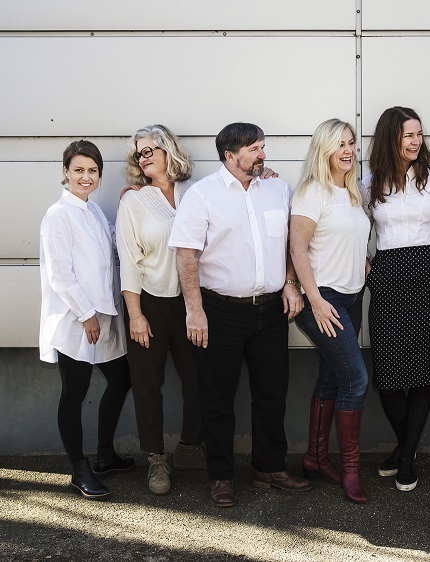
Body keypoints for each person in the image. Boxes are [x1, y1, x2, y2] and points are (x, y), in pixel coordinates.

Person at [169, 122, 311, 508]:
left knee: (272, 394)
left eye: (262, 147)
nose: (262, 154)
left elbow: (291, 243)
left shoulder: (278, 189)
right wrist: (195, 312)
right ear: (230, 156)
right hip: (219, 313)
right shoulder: (202, 196)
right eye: (254, 149)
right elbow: (185, 256)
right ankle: (221, 476)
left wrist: (290, 282)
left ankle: (270, 468)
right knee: (217, 399)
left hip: (270, 311)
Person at [361, 106, 430, 492]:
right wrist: (367, 267)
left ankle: (406, 457)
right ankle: (406, 448)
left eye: (419, 134)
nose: (416, 142)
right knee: (387, 376)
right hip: (387, 276)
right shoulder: (369, 184)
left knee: (422, 372)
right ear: (391, 138)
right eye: (408, 136)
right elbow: (355, 229)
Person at [39, 140, 134, 500]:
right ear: (65, 172)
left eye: (92, 170)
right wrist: (86, 314)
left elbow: (115, 242)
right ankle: (79, 470)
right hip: (77, 320)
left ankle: (105, 455)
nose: (86, 176)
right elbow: (60, 275)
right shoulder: (58, 215)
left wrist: (133, 204)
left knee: (121, 379)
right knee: (74, 393)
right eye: (78, 169)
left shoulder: (92, 209)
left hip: (105, 316)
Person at [116, 124, 205, 496]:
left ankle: (189, 446)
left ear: (169, 149)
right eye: (139, 153)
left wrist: (264, 175)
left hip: (192, 303)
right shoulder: (133, 201)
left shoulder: (195, 192)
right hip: (149, 304)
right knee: (147, 386)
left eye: (149, 149)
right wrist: (135, 315)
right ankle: (156, 459)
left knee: (198, 379)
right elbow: (128, 261)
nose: (143, 157)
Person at [290, 119, 372, 503]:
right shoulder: (312, 192)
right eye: (339, 144)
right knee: (356, 380)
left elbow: (348, 238)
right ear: (323, 149)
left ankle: (316, 458)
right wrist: (316, 300)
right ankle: (350, 470)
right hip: (323, 298)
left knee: (331, 379)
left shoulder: (353, 192)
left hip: (352, 297)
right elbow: (297, 249)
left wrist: (363, 262)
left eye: (351, 143)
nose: (348, 150)